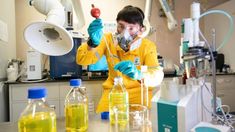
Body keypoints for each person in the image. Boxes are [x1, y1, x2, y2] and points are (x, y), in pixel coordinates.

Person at [76, 5, 164, 113]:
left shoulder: (147, 46)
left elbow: (157, 75)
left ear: (141, 30)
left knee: (143, 123)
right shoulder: (107, 40)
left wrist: (139, 74)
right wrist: (92, 43)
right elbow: (82, 60)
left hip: (139, 94)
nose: (124, 33)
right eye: (121, 26)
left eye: (131, 28)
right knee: (103, 122)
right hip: (114, 92)